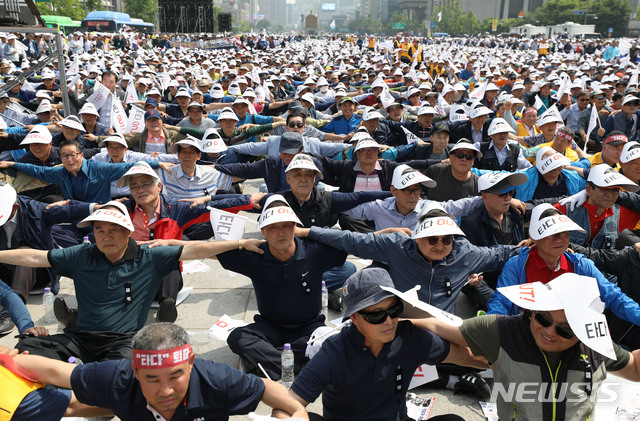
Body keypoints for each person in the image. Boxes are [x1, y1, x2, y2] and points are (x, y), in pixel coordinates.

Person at [0, 201, 265, 363]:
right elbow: (34, 256)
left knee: (125, 368)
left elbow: (194, 250)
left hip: (122, 341)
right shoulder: (81, 254)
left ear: (128, 232)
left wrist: (241, 242)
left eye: (114, 229)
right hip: (80, 338)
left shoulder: (148, 257)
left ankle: (83, 378)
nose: (106, 236)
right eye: (99, 230)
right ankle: (77, 371)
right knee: (27, 347)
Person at [413, 274, 640, 421]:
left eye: (565, 330)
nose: (549, 332)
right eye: (542, 319)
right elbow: (438, 326)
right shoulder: (502, 330)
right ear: (532, 311)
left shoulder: (596, 345)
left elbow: (634, 367)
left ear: (584, 331)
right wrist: (387, 321)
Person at [3, 323, 309, 420]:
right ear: (135, 371)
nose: (165, 391)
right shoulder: (116, 375)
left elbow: (279, 397)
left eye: (176, 375)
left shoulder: (218, 379)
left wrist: (296, 415)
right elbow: (58, 373)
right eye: (152, 378)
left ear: (191, 363)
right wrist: (9, 360)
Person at [287, 268, 480, 421]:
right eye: (377, 315)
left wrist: (505, 359)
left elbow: (466, 356)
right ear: (354, 317)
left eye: (394, 310)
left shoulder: (410, 337)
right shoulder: (333, 353)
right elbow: (289, 404)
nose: (389, 321)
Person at [294, 203, 519, 315]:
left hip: (441, 328)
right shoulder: (396, 246)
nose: (440, 245)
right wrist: (307, 232)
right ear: (417, 237)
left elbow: (500, 254)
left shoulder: (466, 253)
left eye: (447, 240)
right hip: (401, 321)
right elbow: (350, 240)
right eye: (432, 240)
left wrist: (534, 244)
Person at [487, 203, 640, 326]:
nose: (559, 239)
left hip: (569, 334)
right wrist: (485, 330)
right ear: (534, 237)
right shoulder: (516, 266)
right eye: (551, 234)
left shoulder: (580, 265)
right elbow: (501, 304)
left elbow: (612, 295)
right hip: (525, 335)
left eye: (564, 233)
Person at [0, 138, 173, 204]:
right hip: (74, 217)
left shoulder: (99, 169)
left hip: (99, 214)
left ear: (82, 155)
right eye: (65, 156)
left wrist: (158, 164)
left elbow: (127, 167)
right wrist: (12, 164)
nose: (69, 160)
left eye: (73, 155)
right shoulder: (61, 173)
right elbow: (38, 171)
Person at [554, 164, 640, 249]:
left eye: (615, 190)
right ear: (589, 189)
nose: (610, 195)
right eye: (605, 189)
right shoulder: (563, 210)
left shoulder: (621, 212)